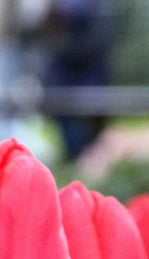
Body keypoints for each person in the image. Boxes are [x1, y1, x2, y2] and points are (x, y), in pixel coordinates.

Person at [43, 0, 116, 159]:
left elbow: (100, 38)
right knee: (69, 134)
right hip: (62, 76)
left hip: (89, 74)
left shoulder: (100, 7)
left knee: (88, 138)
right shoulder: (57, 6)